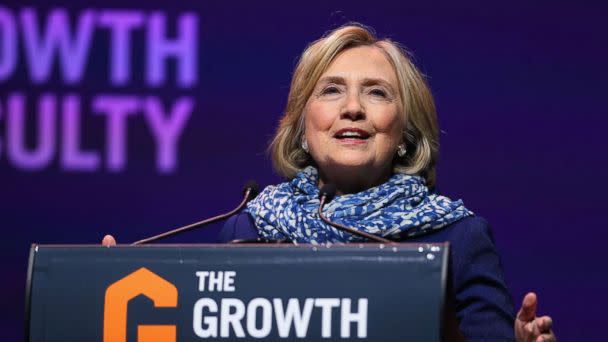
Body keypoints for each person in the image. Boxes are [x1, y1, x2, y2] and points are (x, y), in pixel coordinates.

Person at [103, 24, 556, 341]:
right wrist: (105, 295)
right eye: (331, 90)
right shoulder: (249, 228)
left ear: (406, 134)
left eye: (377, 92)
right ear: (303, 127)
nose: (353, 108)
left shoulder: (459, 237)